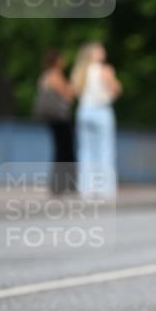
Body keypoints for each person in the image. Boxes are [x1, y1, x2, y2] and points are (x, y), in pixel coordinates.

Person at [71, 43, 122, 199]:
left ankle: (86, 189)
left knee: (85, 151)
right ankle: (105, 189)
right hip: (101, 110)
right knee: (105, 150)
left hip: (84, 111)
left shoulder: (80, 72)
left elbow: (73, 91)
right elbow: (117, 90)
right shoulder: (105, 70)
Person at [33, 50, 77, 194]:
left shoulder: (45, 75)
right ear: (57, 61)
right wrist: (74, 85)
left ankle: (60, 184)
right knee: (65, 150)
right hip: (60, 118)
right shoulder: (54, 75)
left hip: (52, 118)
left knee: (60, 149)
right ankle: (64, 184)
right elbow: (68, 94)